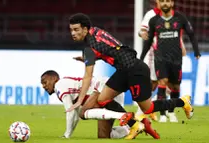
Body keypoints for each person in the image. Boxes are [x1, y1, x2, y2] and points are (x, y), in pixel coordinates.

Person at [66, 12, 194, 139]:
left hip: (135, 70)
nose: (73, 33)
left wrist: (79, 101)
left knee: (147, 109)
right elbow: (109, 48)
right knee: (102, 99)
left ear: (85, 29)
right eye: (71, 30)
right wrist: (89, 59)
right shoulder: (96, 31)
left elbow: (88, 76)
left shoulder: (89, 49)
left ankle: (182, 101)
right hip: (123, 70)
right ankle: (134, 125)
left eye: (76, 29)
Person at [40, 70, 159, 139]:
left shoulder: (59, 85)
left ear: (54, 78)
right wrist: (68, 135)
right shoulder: (66, 85)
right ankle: (138, 125)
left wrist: (66, 135)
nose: (44, 86)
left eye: (45, 82)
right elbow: (74, 115)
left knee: (83, 112)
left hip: (102, 87)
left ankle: (126, 117)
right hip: (108, 89)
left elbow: (71, 113)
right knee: (105, 136)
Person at [140, 0, 201, 122]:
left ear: (172, 3)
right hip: (160, 58)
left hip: (176, 59)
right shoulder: (154, 20)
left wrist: (196, 51)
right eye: (162, 1)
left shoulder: (180, 18)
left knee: (175, 86)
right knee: (162, 83)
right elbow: (148, 41)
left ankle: (171, 112)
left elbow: (191, 34)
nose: (165, 4)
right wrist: (141, 58)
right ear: (159, 3)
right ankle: (162, 115)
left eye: (167, 1)